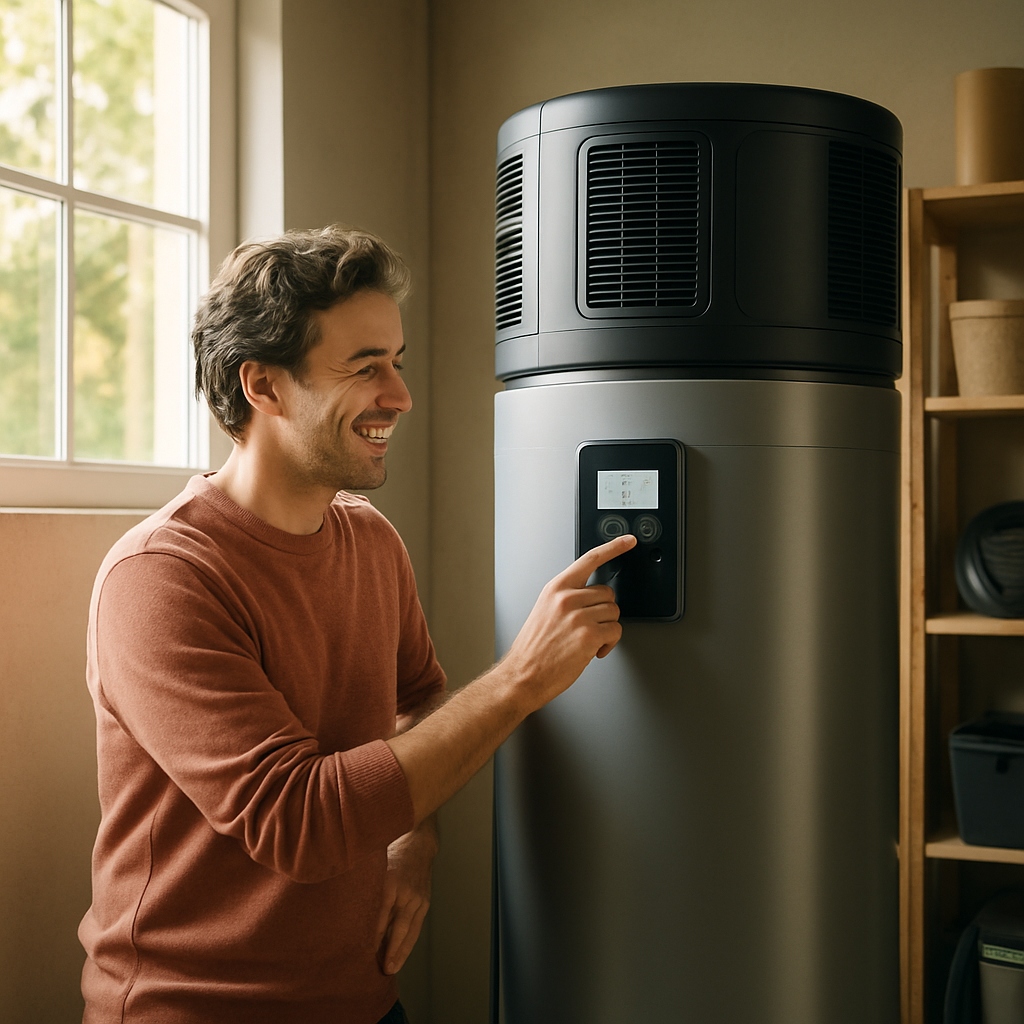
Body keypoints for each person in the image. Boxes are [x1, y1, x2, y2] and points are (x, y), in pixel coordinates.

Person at [79, 226, 634, 1024]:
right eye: (364, 367)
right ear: (264, 387)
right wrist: (520, 681)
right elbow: (298, 822)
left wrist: (418, 838)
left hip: (365, 1001)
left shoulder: (370, 539)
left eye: (397, 362)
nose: (400, 395)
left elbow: (420, 697)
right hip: (196, 1009)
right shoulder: (161, 579)